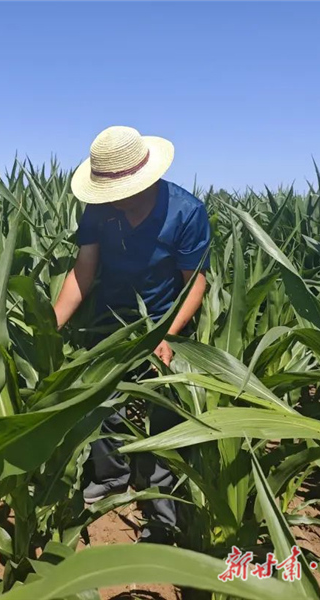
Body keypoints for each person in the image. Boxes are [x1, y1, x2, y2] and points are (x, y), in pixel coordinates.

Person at [53, 126, 211, 544]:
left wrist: (170, 335)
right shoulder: (98, 210)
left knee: (167, 417)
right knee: (102, 404)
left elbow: (195, 283)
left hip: (166, 324)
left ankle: (162, 511)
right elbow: (83, 272)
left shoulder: (185, 211)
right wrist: (51, 324)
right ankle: (110, 478)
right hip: (110, 323)